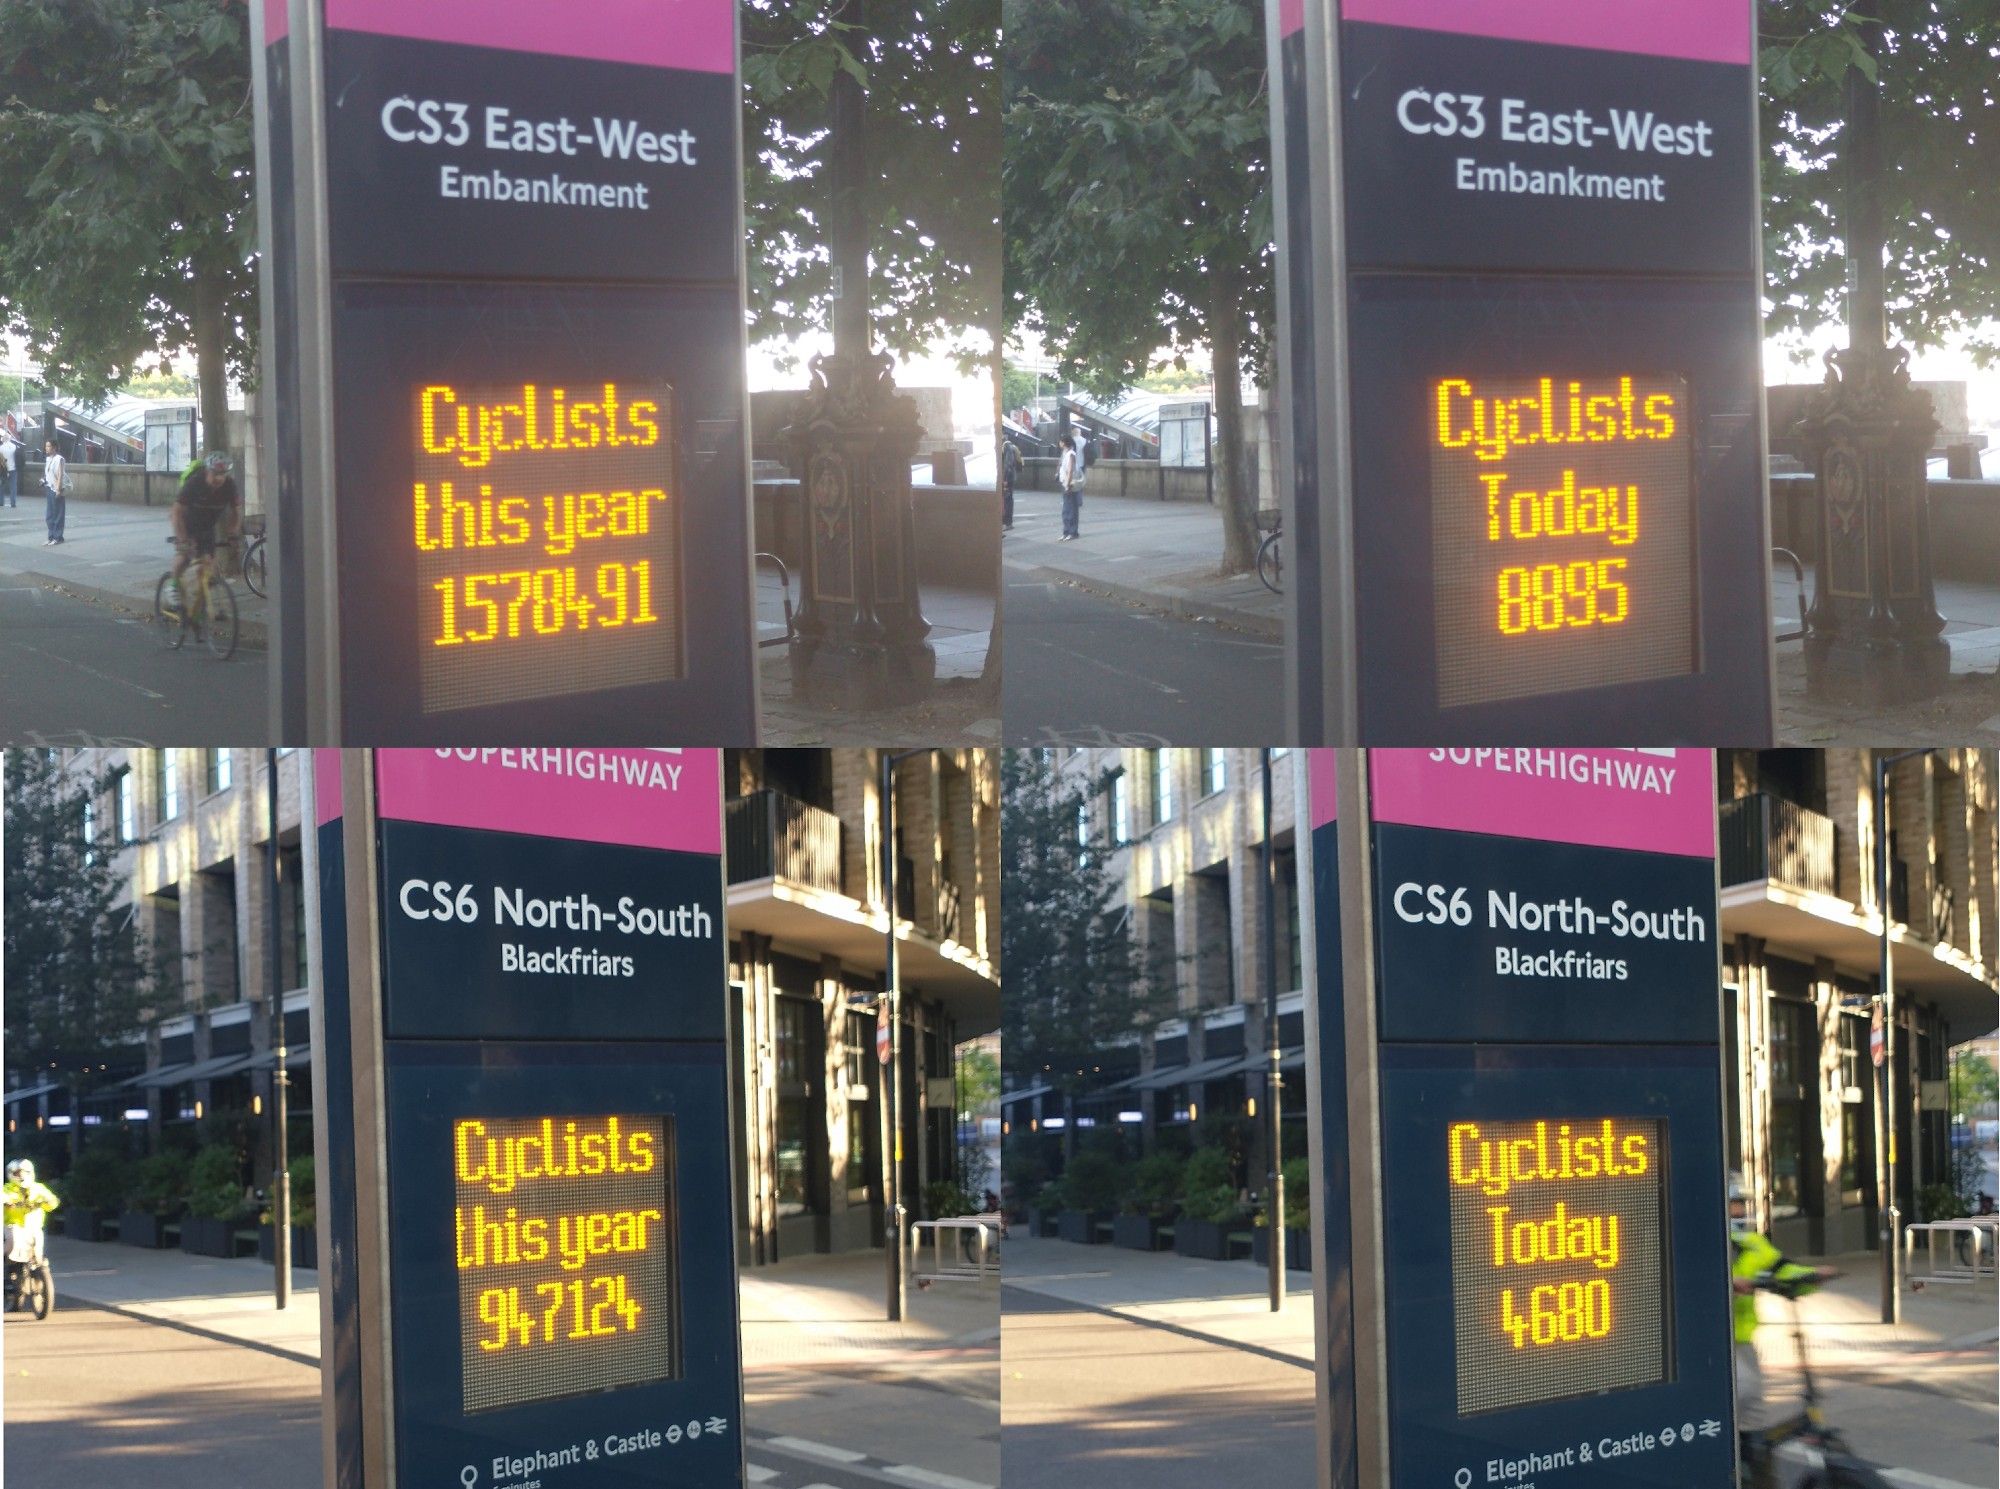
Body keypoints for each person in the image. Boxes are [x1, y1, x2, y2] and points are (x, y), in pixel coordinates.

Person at [1728, 1173, 1835, 1488]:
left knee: (1755, 1412)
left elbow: (1782, 1268)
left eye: (1741, 1204)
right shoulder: (1708, 1243)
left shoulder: (1752, 1243)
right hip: (1717, 1346)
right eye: (1734, 1204)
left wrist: (1811, 1275)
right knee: (1743, 1393)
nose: (1740, 1211)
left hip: (1745, 1342)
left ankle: (1757, 1476)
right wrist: (1729, 1284)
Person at [170, 451, 242, 601]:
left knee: (209, 564)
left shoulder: (229, 486)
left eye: (223, 474)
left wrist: (233, 533)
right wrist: (182, 540)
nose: (219, 478)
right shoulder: (195, 483)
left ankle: (200, 602)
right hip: (186, 523)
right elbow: (176, 512)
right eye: (215, 474)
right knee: (183, 558)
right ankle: (173, 587)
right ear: (207, 471)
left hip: (207, 526)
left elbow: (236, 512)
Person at [3, 1158, 60, 1272]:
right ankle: (6, 1261)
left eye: (25, 1172)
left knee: (38, 1242)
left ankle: (38, 1263)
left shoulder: (38, 1188)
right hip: (13, 1225)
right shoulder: (7, 1188)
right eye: (17, 1173)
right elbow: (3, 1195)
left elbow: (51, 1200)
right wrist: (6, 1201)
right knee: (12, 1239)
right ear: (11, 1174)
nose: (21, 1176)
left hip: (33, 1226)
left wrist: (49, 1201)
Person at [39, 439, 66, 545]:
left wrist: (58, 489)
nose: (46, 448)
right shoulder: (48, 459)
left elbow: (60, 475)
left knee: (58, 514)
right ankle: (51, 536)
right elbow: (48, 473)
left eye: (49, 446)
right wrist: (43, 480)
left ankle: (58, 537)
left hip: (56, 489)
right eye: (46, 446)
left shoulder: (59, 459)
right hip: (49, 488)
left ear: (54, 447)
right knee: (49, 515)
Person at [1058, 438, 1082, 540]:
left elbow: (1071, 470)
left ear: (1064, 443)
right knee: (1066, 510)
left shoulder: (1071, 454)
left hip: (1070, 484)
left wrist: (1068, 484)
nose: (1059, 443)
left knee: (1071, 509)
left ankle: (1073, 532)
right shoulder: (1066, 453)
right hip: (1065, 483)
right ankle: (1066, 531)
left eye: (1060, 441)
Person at [1001, 437, 1020, 532]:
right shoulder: (1007, 446)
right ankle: (1007, 522)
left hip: (1007, 478)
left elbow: (1008, 464)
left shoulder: (1006, 446)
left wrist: (1005, 479)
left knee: (1007, 501)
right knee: (1007, 500)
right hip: (1009, 477)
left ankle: (1007, 523)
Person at [0, 428, 17, 507]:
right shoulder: (14, 447)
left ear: (4, 439)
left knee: (1, 486)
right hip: (13, 469)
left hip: (3, 469)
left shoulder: (1, 448)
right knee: (13, 486)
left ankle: (1, 502)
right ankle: (13, 503)